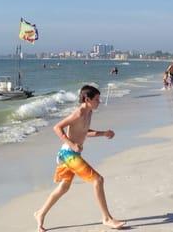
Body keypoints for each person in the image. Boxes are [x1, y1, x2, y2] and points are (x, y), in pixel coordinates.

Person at [34, 85, 125, 231]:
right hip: (68, 153)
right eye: (96, 99)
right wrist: (72, 144)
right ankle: (106, 218)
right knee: (98, 180)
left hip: (71, 154)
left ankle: (40, 213)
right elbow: (57, 127)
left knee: (64, 187)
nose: (99, 102)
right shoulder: (79, 113)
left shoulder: (89, 113)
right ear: (87, 99)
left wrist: (104, 133)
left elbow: (84, 131)